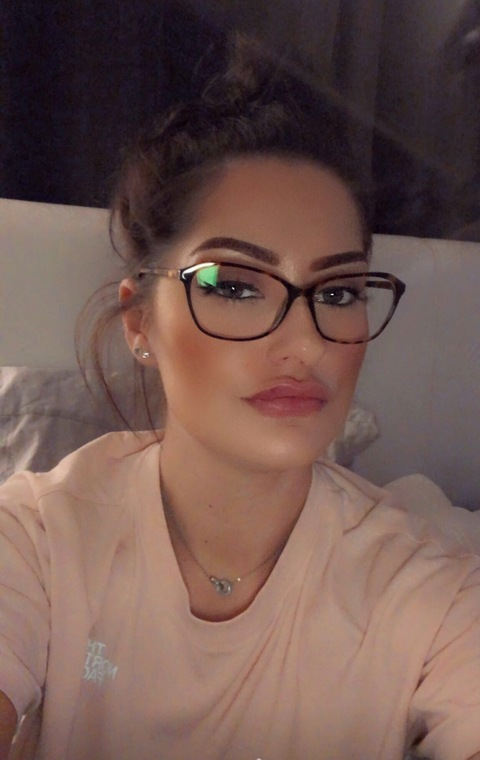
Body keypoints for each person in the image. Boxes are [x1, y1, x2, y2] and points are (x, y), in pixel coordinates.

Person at [1, 36, 480, 760]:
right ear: (139, 322)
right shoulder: (37, 542)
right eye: (233, 285)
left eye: (339, 292)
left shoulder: (430, 592)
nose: (306, 344)